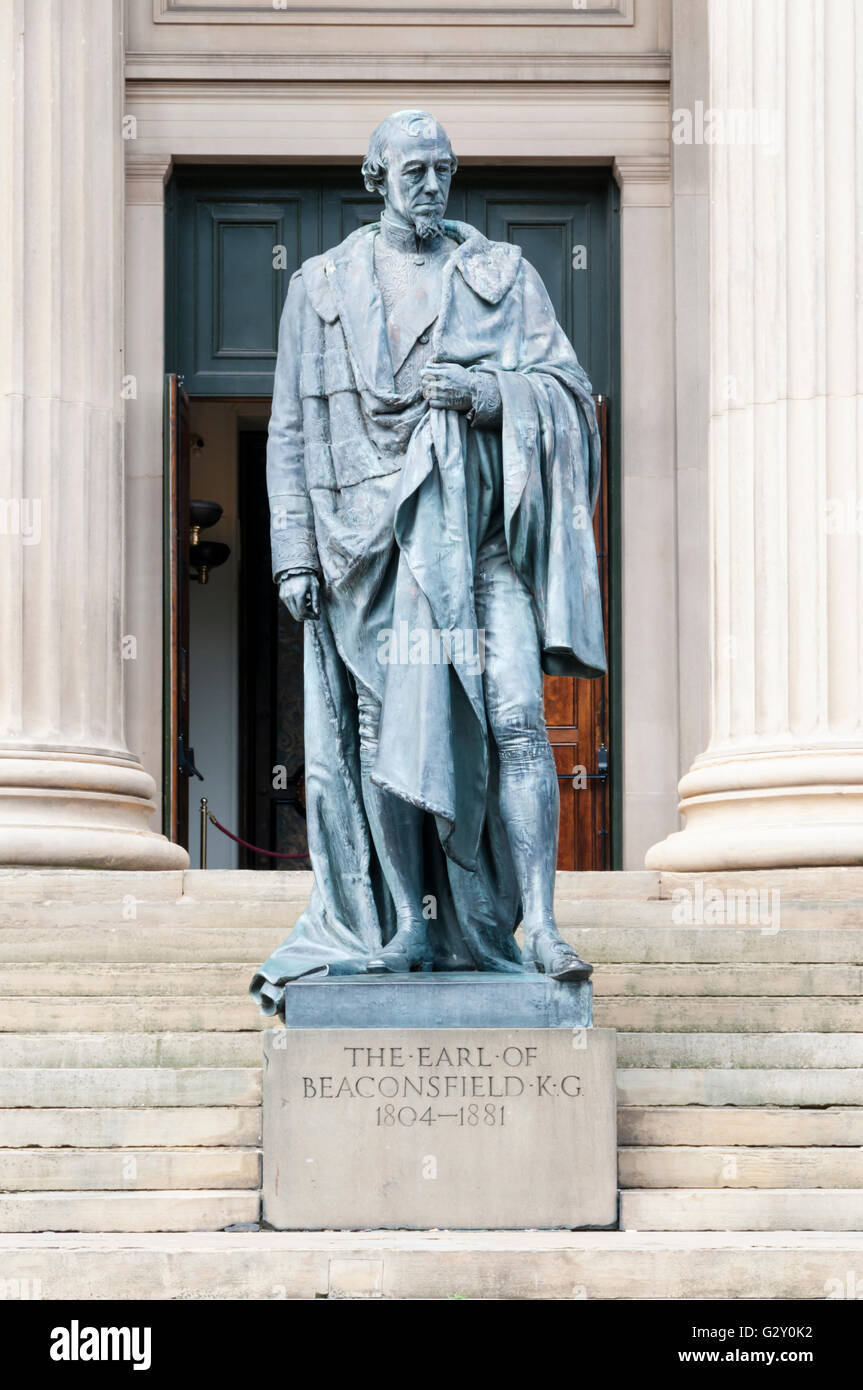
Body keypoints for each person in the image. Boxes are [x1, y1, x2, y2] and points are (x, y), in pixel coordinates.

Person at [251, 110, 605, 1017]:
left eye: (443, 170)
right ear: (374, 177)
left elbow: (568, 398)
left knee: (520, 715)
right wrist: (293, 555)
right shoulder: (321, 286)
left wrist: (490, 394)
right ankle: (406, 922)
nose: (431, 185)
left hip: (478, 545)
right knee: (384, 739)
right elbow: (288, 429)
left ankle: (538, 924)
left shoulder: (502, 276)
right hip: (363, 550)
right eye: (412, 170)